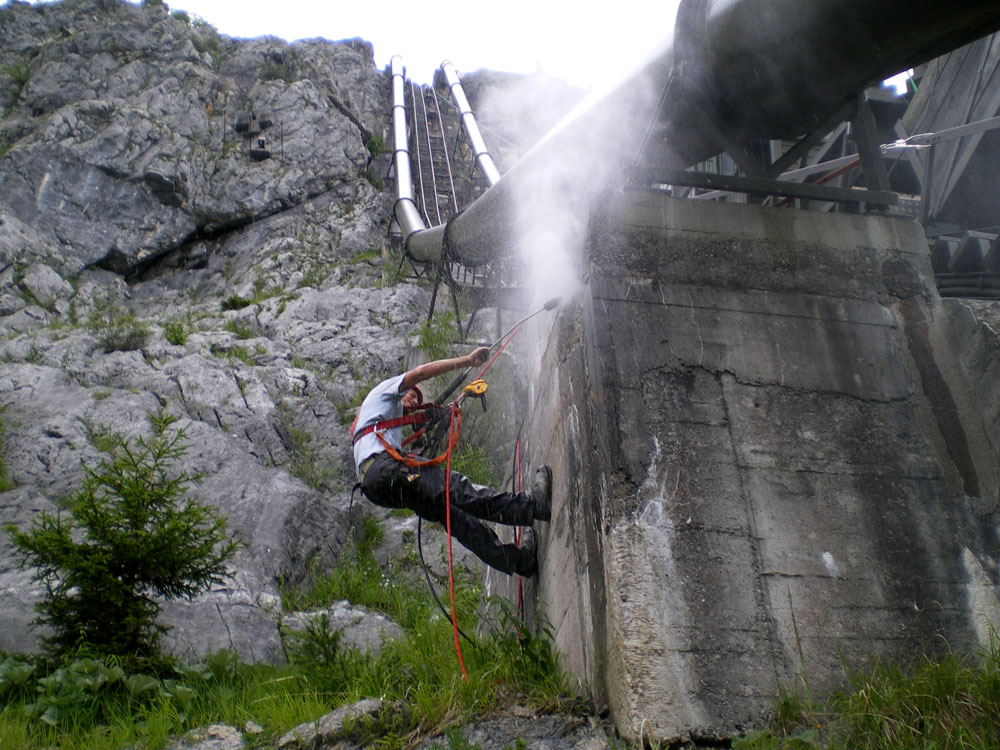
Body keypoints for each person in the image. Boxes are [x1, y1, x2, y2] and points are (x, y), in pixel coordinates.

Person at [352, 346, 551, 577]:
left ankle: (521, 562)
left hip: (376, 487)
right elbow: (421, 372)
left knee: (455, 517)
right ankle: (532, 505)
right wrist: (467, 360)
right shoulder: (386, 390)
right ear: (401, 390)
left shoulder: (379, 423)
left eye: (418, 398)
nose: (415, 400)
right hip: (382, 471)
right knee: (456, 488)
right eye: (412, 394)